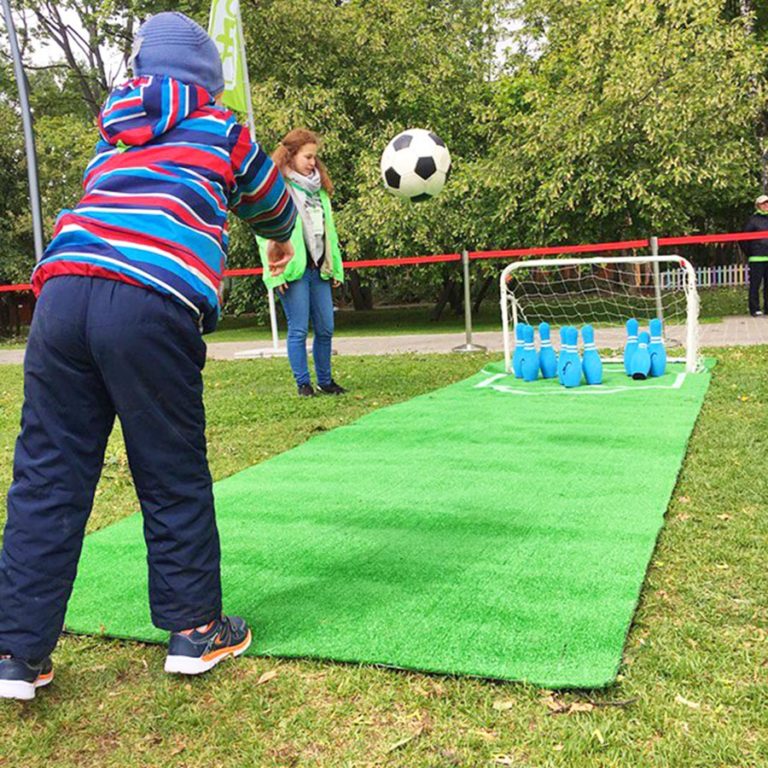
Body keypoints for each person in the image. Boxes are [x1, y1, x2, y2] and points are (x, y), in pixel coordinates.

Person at [0, 12, 297, 700]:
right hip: (150, 302)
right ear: (207, 82)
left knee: (47, 476)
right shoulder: (223, 129)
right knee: (170, 467)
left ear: (137, 74)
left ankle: (16, 651)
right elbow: (272, 203)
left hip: (62, 295)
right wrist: (281, 238)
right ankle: (196, 630)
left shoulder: (110, 140)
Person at [258, 129, 346, 397]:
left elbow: (329, 232)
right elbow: (265, 235)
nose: (312, 163)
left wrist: (336, 267)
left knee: (326, 328)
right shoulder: (278, 189)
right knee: (298, 329)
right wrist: (276, 274)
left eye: (314, 158)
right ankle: (303, 384)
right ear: (291, 155)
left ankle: (326, 381)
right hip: (292, 271)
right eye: (307, 157)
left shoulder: (320, 191)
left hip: (318, 268)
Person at [741, 194, 768, 317]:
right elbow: (743, 239)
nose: (766, 205)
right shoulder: (752, 220)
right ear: (758, 205)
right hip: (757, 257)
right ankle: (754, 309)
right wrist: (751, 253)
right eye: (764, 203)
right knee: (755, 285)